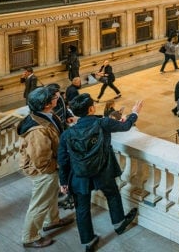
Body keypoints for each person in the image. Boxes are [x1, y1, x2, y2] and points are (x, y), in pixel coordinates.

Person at [58, 94, 142, 251]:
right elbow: (125, 126)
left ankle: (88, 242)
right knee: (112, 194)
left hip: (79, 175)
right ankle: (119, 223)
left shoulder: (67, 134)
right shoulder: (103, 123)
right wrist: (135, 112)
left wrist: (63, 181)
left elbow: (63, 160)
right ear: (91, 108)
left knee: (82, 209)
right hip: (102, 171)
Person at [18, 87, 73, 249]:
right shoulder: (38, 130)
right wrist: (59, 165)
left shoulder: (44, 114)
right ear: (47, 104)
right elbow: (41, 161)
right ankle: (30, 237)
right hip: (44, 171)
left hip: (50, 167)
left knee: (50, 195)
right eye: (55, 97)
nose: (58, 98)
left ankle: (52, 221)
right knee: (40, 203)